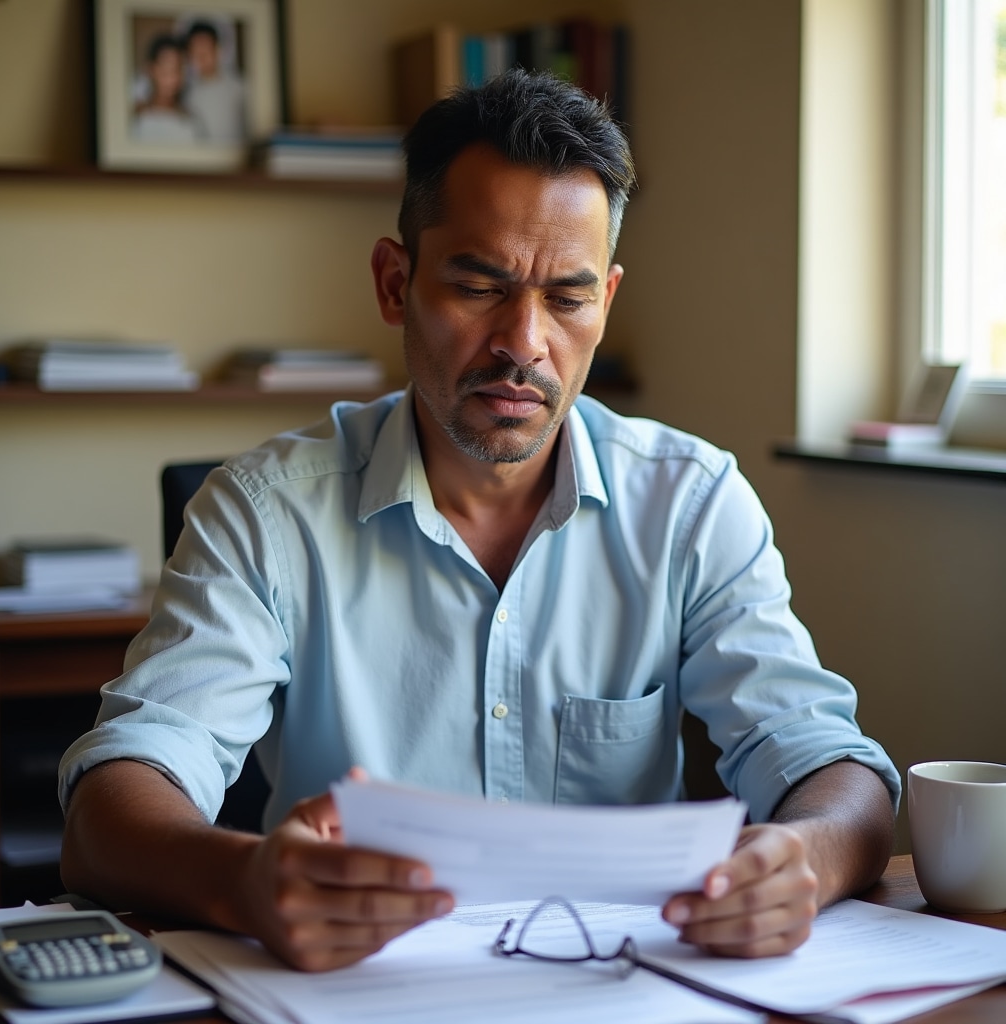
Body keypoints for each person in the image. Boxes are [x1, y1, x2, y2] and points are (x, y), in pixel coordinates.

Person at [60, 69, 900, 973]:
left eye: (567, 299)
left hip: (619, 993)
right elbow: (117, 799)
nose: (523, 344)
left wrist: (803, 861)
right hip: (351, 993)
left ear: (606, 303)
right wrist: (246, 881)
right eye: (479, 286)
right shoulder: (263, 515)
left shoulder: (691, 503)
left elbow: (827, 765)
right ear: (395, 282)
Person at [183, 19, 246, 143]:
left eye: (206, 48)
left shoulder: (240, 88)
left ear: (217, 49)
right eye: (196, 50)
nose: (202, 55)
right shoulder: (186, 93)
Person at [132, 34, 199, 144]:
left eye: (178, 69)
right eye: (165, 68)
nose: (172, 76)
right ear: (150, 69)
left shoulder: (190, 122)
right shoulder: (137, 118)